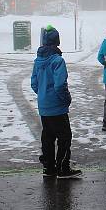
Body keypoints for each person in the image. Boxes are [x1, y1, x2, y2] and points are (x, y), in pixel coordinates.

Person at [31, 25, 83, 179]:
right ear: (57, 41)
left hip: (44, 107)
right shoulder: (57, 61)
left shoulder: (38, 60)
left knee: (47, 137)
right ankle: (63, 168)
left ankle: (49, 167)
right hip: (57, 107)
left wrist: (43, 95)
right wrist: (66, 99)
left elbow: (34, 83)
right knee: (65, 136)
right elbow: (60, 85)